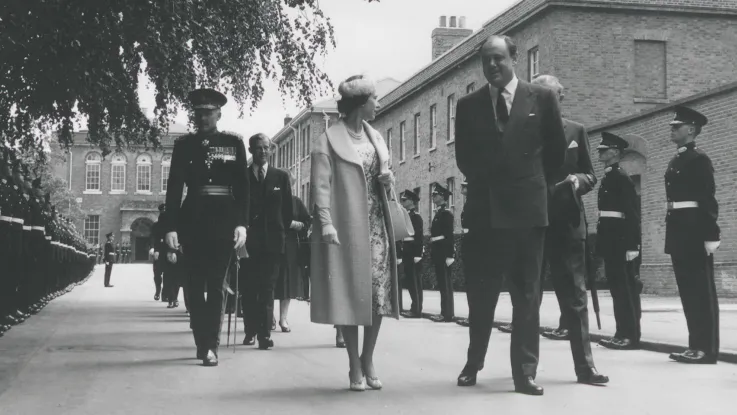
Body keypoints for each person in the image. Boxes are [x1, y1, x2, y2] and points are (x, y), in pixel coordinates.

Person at [454, 35, 566, 396]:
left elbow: (555, 155)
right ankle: (474, 362)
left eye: (499, 59)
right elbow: (464, 160)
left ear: (514, 58)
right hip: (486, 213)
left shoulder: (542, 98)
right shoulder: (469, 105)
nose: (492, 66)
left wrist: (529, 187)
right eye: (486, 61)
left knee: (527, 296)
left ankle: (524, 373)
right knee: (482, 294)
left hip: (526, 213)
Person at [310, 74, 399, 391]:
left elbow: (384, 178)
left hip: (377, 226)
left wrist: (388, 179)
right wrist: (326, 223)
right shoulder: (327, 141)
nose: (379, 103)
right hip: (347, 227)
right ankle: (353, 363)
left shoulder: (376, 137)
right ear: (361, 104)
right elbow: (321, 188)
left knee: (378, 297)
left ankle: (368, 357)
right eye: (375, 98)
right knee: (350, 295)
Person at [527, 74, 609, 384]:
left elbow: (590, 173)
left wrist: (579, 181)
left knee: (576, 297)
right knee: (529, 295)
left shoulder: (576, 130)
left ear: (561, 97)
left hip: (568, 223)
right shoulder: (523, 132)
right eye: (539, 96)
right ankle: (526, 371)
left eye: (552, 95)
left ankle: (585, 368)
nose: (547, 101)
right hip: (533, 223)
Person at [163, 88, 249, 367]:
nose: (203, 118)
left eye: (208, 113)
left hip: (223, 221)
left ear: (218, 114)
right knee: (193, 285)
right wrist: (171, 227)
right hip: (193, 220)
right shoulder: (184, 145)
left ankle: (209, 344)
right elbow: (175, 188)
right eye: (199, 113)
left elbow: (242, 189)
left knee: (215, 285)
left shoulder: (233, 143)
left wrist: (241, 223)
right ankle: (201, 337)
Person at [664, 106, 720, 364]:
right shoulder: (677, 159)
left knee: (701, 292)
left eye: (677, 126)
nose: (672, 129)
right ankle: (694, 345)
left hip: (695, 231)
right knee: (688, 291)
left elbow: (707, 198)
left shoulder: (699, 159)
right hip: (679, 230)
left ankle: (705, 349)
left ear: (691, 130)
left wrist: (711, 234)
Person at [240, 133, 293, 349]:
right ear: (251, 150)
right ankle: (250, 330)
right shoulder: (243, 177)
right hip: (249, 243)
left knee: (268, 287)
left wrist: (279, 230)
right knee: (249, 287)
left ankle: (264, 334)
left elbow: (288, 211)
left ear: (270, 150)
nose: (263, 151)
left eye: (266, 148)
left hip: (272, 243)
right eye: (258, 148)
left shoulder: (280, 177)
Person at [594, 132, 642, 351]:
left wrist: (633, 245)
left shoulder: (621, 177)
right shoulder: (609, 176)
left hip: (621, 241)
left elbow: (631, 213)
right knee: (617, 289)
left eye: (605, 149)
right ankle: (621, 332)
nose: (601, 152)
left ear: (615, 152)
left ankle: (629, 335)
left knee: (624, 289)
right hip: (612, 239)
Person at [274, 171, 312, 332]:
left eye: (289, 184)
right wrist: (287, 223)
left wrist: (300, 225)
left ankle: (283, 318)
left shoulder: (296, 202)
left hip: (290, 248)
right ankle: (270, 318)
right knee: (272, 281)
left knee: (287, 284)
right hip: (274, 245)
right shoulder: (272, 200)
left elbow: (307, 220)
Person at [428, 183, 455, 323]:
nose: (433, 197)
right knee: (442, 284)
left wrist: (450, 255)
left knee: (446, 285)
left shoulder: (446, 214)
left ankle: (447, 314)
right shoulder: (439, 213)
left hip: (444, 253)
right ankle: (444, 312)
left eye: (436, 195)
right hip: (439, 252)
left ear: (443, 198)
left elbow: (449, 236)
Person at [399, 189, 424, 318]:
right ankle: (414, 308)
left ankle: (417, 309)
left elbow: (419, 237)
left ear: (412, 202)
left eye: (405, 200)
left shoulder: (416, 217)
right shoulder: (406, 216)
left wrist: (418, 254)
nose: (402, 202)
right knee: (410, 281)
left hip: (413, 252)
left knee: (415, 282)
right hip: (407, 251)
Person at [150, 204, 167, 301]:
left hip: (167, 251)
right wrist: (153, 248)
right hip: (158, 252)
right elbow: (152, 237)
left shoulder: (170, 225)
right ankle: (158, 291)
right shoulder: (156, 225)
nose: (164, 212)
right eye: (162, 210)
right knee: (157, 274)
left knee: (168, 274)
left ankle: (165, 294)